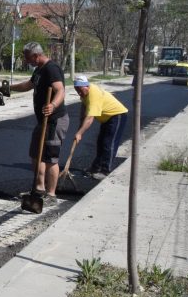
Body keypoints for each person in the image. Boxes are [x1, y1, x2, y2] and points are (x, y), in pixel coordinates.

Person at [8, 42, 69, 202]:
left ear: (36, 55)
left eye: (28, 58)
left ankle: (51, 194)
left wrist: (53, 105)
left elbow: (60, 90)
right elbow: (28, 85)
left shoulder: (51, 69)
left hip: (54, 120)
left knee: (50, 159)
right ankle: (39, 189)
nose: (27, 61)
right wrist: (9, 88)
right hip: (42, 121)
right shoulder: (39, 70)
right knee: (36, 155)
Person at [71, 75, 128, 180]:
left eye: (80, 89)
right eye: (76, 89)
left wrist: (79, 133)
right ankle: (96, 168)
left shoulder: (93, 95)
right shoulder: (84, 94)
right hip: (107, 118)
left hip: (117, 115)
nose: (79, 92)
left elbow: (90, 118)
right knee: (100, 143)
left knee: (108, 143)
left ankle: (105, 171)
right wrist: (80, 129)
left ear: (86, 86)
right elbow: (84, 111)